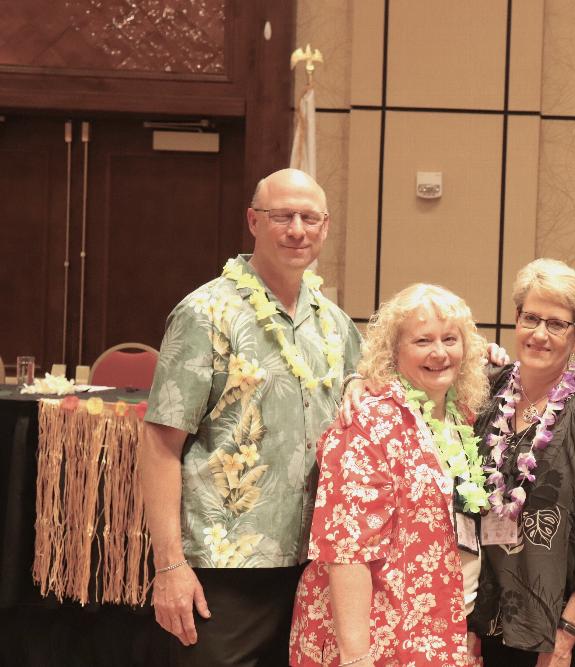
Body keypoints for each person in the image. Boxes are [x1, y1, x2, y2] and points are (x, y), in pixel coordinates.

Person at [139, 168, 363, 667]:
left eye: (309, 218)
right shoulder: (204, 313)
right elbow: (160, 445)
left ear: (326, 227)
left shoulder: (336, 324)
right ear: (253, 221)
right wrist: (169, 565)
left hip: (316, 565)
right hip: (225, 566)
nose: (297, 230)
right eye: (282, 216)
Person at [289, 283, 490, 667]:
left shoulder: (459, 416)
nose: (439, 352)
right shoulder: (368, 420)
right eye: (423, 340)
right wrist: (355, 658)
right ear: (393, 351)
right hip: (375, 637)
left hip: (436, 630)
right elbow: (346, 548)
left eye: (450, 339)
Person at [469, 258, 575, 667]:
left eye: (556, 324)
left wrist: (566, 634)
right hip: (491, 618)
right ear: (516, 318)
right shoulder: (488, 392)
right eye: (531, 318)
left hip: (557, 628)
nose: (539, 334)